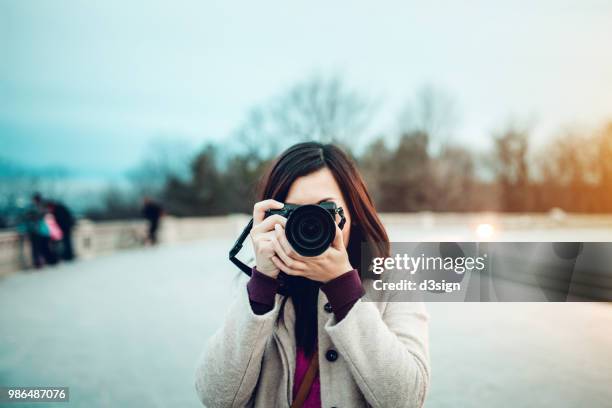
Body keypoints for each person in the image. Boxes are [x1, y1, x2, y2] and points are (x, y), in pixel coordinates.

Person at [195, 142, 430, 407]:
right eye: (294, 212)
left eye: (325, 210)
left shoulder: (392, 279)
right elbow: (216, 397)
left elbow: (408, 399)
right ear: (270, 216)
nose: (311, 223)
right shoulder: (262, 284)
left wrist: (344, 288)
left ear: (353, 210)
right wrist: (262, 284)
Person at [19, 193, 58, 268]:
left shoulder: (35, 209)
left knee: (38, 248)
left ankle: (41, 262)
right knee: (44, 247)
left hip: (38, 231)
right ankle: (49, 261)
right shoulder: (43, 208)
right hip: (43, 231)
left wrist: (24, 229)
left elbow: (27, 220)